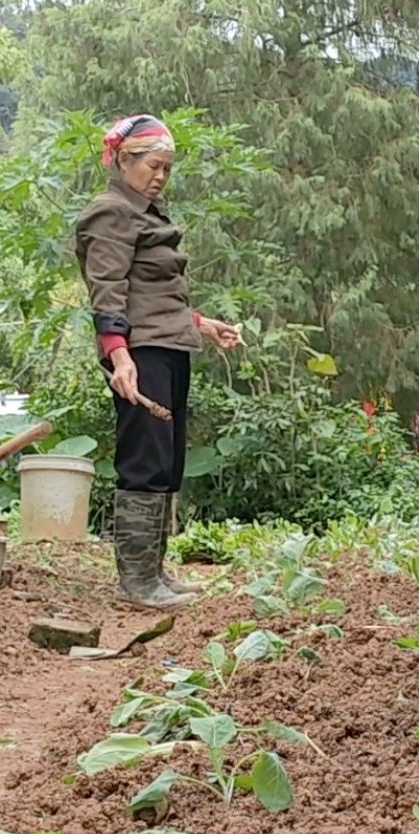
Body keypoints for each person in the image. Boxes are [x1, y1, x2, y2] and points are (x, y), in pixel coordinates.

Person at [75, 113, 243, 609]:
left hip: (167, 345)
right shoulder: (109, 213)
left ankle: (153, 572)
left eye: (167, 167)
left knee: (167, 462)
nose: (161, 176)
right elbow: (108, 290)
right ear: (123, 160)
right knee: (145, 462)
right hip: (139, 352)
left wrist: (201, 323)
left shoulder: (148, 213)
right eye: (153, 165)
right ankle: (136, 583)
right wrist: (119, 358)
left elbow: (154, 292)